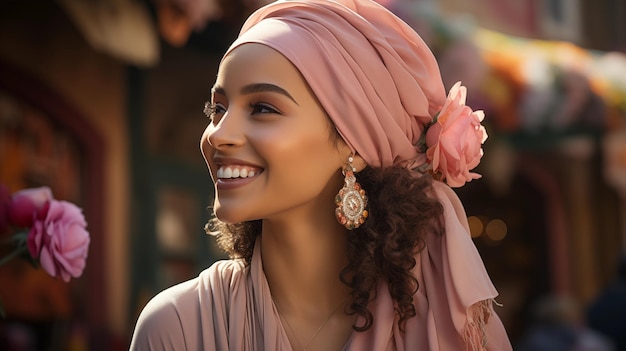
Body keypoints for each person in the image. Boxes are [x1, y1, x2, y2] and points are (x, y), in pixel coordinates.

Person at [130, 0, 512, 350]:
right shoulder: (176, 328)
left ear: (353, 144)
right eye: (217, 110)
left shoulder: (446, 329)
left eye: (262, 108)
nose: (218, 135)